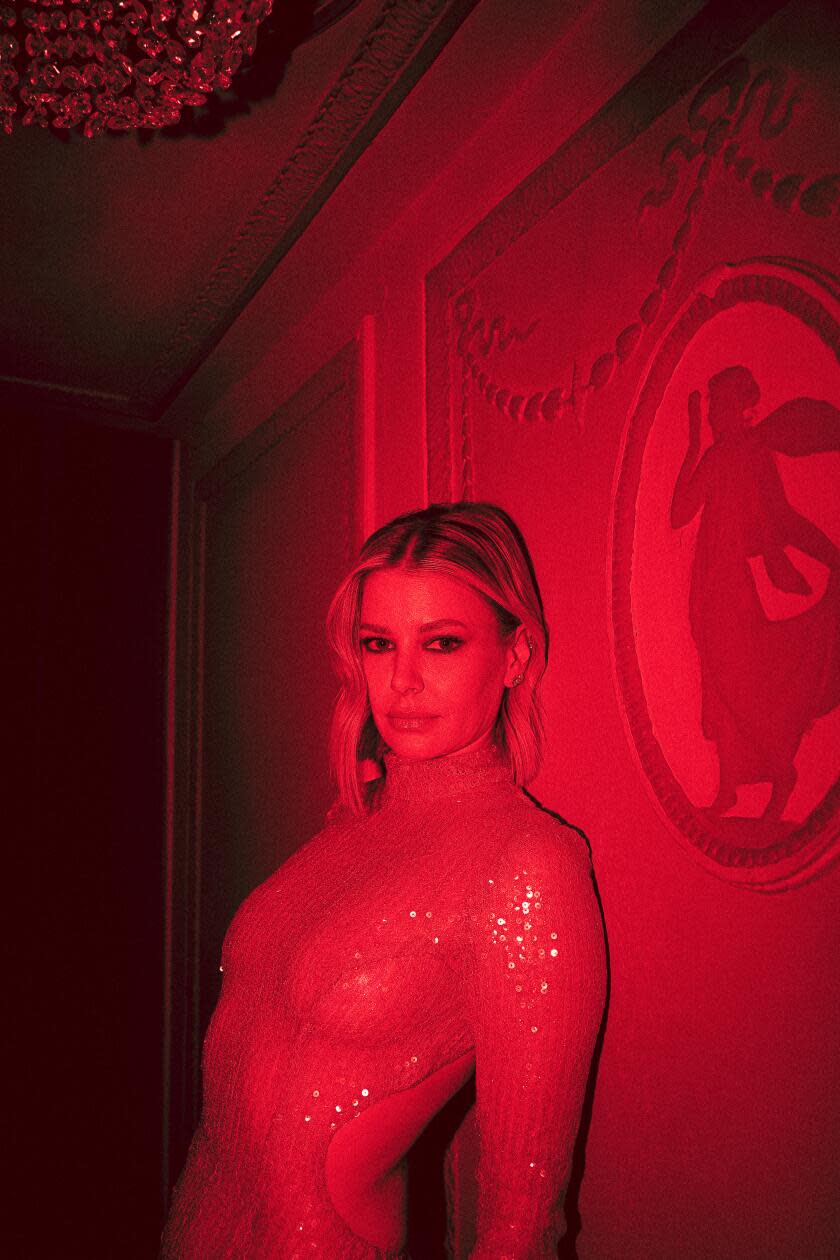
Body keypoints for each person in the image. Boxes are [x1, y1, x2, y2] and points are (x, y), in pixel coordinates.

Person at [161, 501, 607, 1259]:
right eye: (378, 643)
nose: (401, 680)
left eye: (441, 643)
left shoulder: (529, 865)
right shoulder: (346, 829)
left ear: (516, 656)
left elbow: (520, 1224)